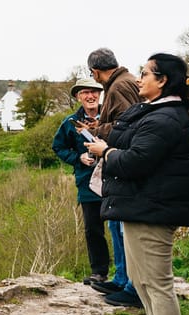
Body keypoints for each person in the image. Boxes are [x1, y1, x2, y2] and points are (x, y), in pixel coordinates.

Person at [85, 53, 189, 315]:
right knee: (142, 282)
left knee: (157, 286)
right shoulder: (156, 112)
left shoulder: (164, 118)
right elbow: (129, 139)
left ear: (162, 81)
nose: (139, 79)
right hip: (144, 207)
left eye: (146, 74)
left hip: (153, 211)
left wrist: (106, 152)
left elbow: (136, 161)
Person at [85, 48, 143, 308]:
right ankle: (121, 278)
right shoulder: (127, 80)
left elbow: (127, 126)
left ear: (96, 71)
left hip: (122, 162)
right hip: (123, 163)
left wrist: (97, 129)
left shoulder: (118, 86)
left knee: (120, 226)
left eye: (92, 74)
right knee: (115, 224)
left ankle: (129, 284)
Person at [51, 78, 110, 286]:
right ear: (78, 97)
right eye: (85, 92)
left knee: (121, 228)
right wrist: (78, 159)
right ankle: (99, 272)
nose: (90, 96)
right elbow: (58, 147)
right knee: (93, 229)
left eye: (94, 91)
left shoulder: (111, 117)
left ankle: (126, 273)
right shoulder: (70, 123)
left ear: (100, 94)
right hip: (87, 183)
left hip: (114, 179)